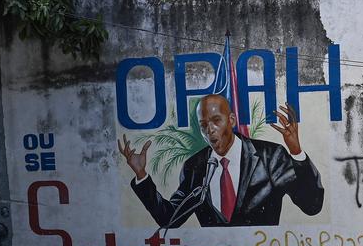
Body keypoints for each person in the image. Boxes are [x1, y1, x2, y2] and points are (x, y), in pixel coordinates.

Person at [118, 95, 324, 227]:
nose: (210, 130)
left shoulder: (270, 156)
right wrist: (141, 176)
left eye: (216, 121)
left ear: (232, 120)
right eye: (204, 125)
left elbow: (312, 206)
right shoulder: (195, 167)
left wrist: (296, 152)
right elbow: (169, 219)